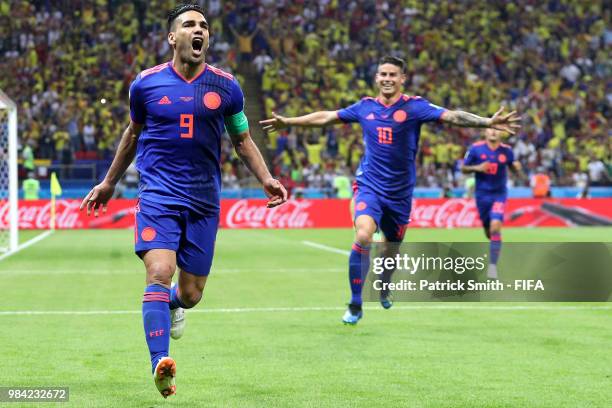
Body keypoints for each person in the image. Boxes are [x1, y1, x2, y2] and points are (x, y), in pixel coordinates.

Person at [80, 4, 287, 399]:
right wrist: (109, 182)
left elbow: (242, 139)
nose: (200, 31)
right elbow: (132, 134)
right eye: (190, 25)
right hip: (158, 194)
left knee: (191, 294)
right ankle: (160, 361)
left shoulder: (227, 87)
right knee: (159, 269)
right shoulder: (145, 84)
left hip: (205, 200)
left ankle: (175, 304)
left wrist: (266, 178)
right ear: (172, 38)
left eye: (204, 26)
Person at [260, 56, 520, 325]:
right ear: (376, 78)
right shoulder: (364, 108)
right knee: (363, 235)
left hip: (400, 196)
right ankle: (356, 303)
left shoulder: (415, 107)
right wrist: (289, 122)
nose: (387, 78)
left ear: (402, 79)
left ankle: (384, 285)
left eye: (392, 75)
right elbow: (327, 117)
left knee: (389, 252)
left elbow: (453, 116)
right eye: (383, 73)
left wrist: (487, 123)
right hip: (369, 186)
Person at [462, 129, 523, 279]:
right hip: (482, 196)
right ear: (485, 132)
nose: (493, 132)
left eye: (497, 130)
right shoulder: (476, 148)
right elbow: (463, 168)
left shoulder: (507, 151)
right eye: (491, 129)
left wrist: (517, 168)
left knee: (495, 226)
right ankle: (495, 242)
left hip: (499, 194)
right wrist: (477, 168)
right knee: (489, 231)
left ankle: (492, 266)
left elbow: (515, 170)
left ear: (501, 133)